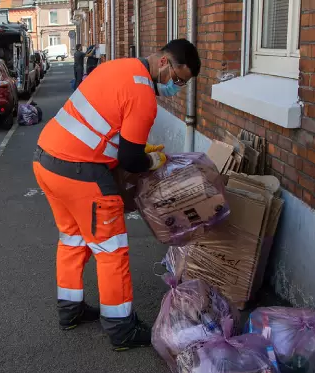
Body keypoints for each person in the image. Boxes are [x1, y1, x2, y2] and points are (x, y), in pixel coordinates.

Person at [33, 39, 201, 351]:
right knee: (112, 250)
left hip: (46, 160)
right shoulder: (143, 95)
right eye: (178, 80)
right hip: (82, 174)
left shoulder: (119, 67)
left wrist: (137, 149)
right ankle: (121, 329)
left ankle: (70, 310)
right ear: (164, 63)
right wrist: (151, 160)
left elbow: (105, 122)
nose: (176, 88)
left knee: (73, 239)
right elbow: (130, 160)